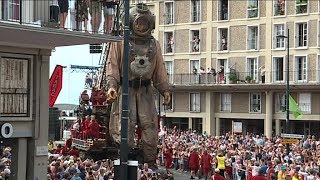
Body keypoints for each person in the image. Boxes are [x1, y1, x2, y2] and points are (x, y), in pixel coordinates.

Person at [106, 3, 171, 168]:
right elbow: (112, 66)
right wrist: (112, 85)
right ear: (130, 22)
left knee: (149, 125)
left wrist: (165, 90)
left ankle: (149, 160)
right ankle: (124, 158)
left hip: (146, 90)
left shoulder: (154, 45)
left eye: (144, 23)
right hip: (126, 89)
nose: (142, 26)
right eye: (139, 23)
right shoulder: (120, 42)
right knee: (125, 124)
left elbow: (160, 69)